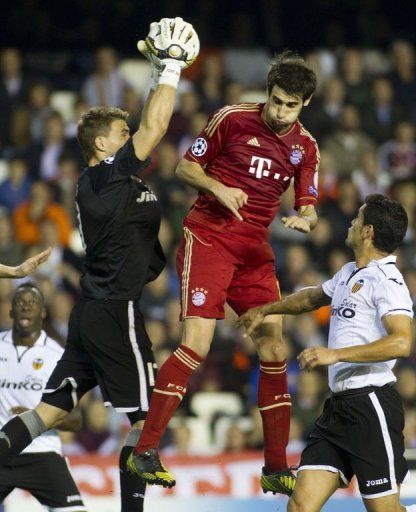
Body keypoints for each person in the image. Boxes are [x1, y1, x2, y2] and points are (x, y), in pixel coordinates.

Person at [0, 17, 200, 512]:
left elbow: (146, 125)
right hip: (114, 308)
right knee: (148, 417)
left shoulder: (111, 181)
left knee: (50, 409)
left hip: (95, 309)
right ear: (102, 145)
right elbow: (155, 126)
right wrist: (171, 69)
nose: (129, 134)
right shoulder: (104, 180)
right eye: (120, 132)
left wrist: (154, 76)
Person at [129, 50, 319, 496]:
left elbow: (308, 207)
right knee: (196, 343)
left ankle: (275, 466)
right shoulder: (232, 118)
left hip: (254, 251)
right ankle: (145, 450)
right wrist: (217, 186)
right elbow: (184, 167)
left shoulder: (305, 147)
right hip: (209, 236)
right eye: (275, 101)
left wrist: (305, 220)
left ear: (304, 105)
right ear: (267, 93)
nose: (279, 111)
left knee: (274, 346)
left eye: (289, 105)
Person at [238, 194, 415, 512]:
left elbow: (402, 342)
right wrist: (265, 309)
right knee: (300, 506)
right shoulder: (349, 272)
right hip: (337, 411)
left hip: (371, 406)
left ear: (368, 231)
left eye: (358, 218)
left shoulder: (389, 281)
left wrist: (337, 354)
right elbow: (310, 299)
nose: (351, 222)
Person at [0, 283, 85, 511]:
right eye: (20, 302)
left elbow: (76, 420)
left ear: (43, 312)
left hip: (42, 451)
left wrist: (37, 418)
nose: (26, 307)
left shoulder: (58, 356)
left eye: (32, 303)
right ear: (10, 311)